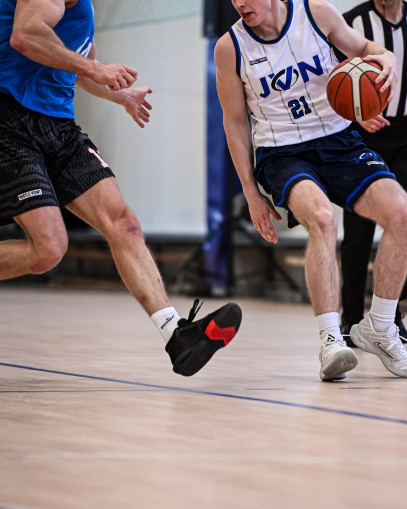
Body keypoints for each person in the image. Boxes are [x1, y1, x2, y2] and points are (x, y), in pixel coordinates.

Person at [0, 0, 242, 377]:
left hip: (58, 127)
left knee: (124, 224)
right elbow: (26, 36)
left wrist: (121, 95)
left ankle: (175, 333)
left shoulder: (84, 11)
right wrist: (95, 68)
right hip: (10, 121)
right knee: (48, 249)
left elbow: (78, 68)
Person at [215, 0, 407, 380]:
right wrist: (251, 192)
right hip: (282, 153)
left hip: (338, 141)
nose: (239, 3)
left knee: (403, 215)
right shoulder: (230, 47)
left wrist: (387, 58)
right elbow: (235, 122)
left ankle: (380, 327)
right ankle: (330, 340)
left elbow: (365, 48)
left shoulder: (317, 13)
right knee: (323, 218)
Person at [337, 0, 407, 344]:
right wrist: (354, 113)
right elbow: (330, 77)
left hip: (404, 137)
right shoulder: (352, 22)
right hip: (361, 138)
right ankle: (351, 316)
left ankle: (390, 315)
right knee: (358, 233)